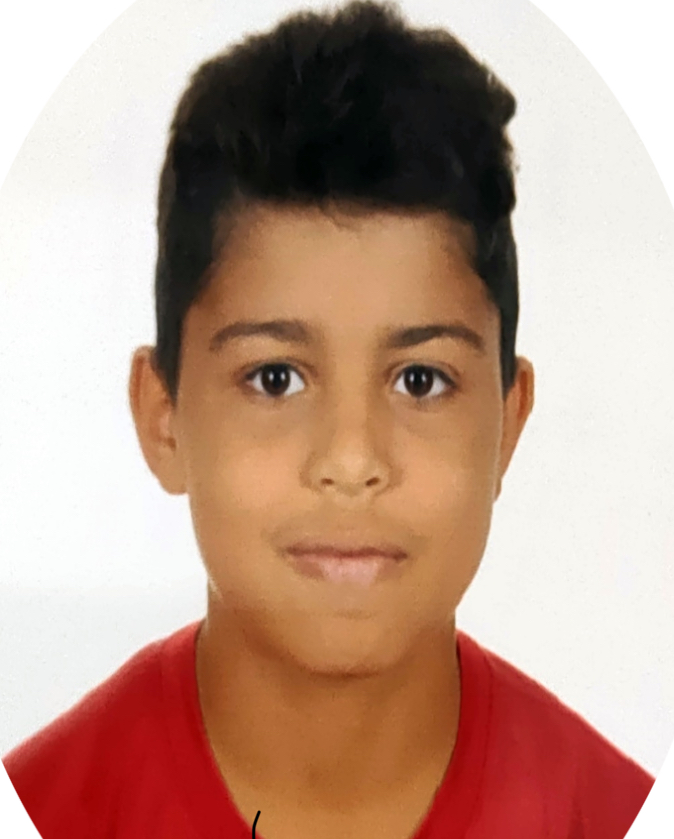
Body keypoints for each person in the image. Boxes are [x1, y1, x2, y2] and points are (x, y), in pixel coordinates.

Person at [2, 2, 654, 837]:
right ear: (164, 418)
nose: (351, 459)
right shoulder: (42, 809)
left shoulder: (618, 816)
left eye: (420, 379)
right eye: (275, 378)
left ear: (508, 422)